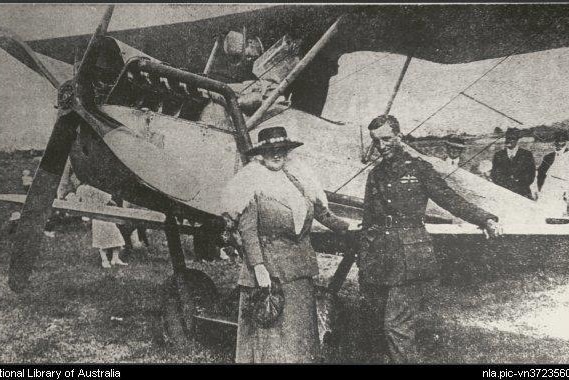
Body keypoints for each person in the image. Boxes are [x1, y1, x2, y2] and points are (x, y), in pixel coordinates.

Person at [359, 115, 501, 364]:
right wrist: (364, 259)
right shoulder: (376, 174)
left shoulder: (419, 168)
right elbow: (369, 219)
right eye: (376, 141)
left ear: (399, 137)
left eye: (387, 139)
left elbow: (450, 199)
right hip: (380, 256)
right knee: (377, 325)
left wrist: (484, 218)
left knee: (396, 326)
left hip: (410, 257)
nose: (382, 146)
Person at [222, 126, 353, 363]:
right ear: (260, 154)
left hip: (299, 271)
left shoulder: (296, 179)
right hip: (270, 271)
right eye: (270, 150)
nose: (277, 154)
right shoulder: (252, 183)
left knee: (299, 337)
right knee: (272, 336)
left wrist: (348, 227)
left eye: (281, 149)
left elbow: (320, 212)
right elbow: (248, 231)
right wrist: (260, 269)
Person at [76, 184, 127, 268]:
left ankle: (108, 260)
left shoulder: (81, 189)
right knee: (116, 238)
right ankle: (112, 259)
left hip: (95, 218)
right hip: (105, 216)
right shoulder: (98, 189)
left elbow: (78, 201)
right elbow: (110, 201)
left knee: (102, 240)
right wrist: (115, 205)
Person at [490, 128, 536, 199]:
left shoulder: (527, 154)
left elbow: (531, 175)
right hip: (503, 192)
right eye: (507, 138)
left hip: (522, 193)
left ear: (517, 140)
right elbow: (494, 175)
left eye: (512, 138)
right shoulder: (498, 155)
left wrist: (518, 184)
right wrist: (507, 184)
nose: (509, 140)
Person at [536, 130, 569, 216]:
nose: (558, 144)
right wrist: (540, 189)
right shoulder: (548, 157)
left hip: (562, 191)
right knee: (543, 213)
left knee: (558, 213)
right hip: (547, 190)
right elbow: (540, 175)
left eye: (562, 141)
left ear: (566, 142)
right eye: (557, 141)